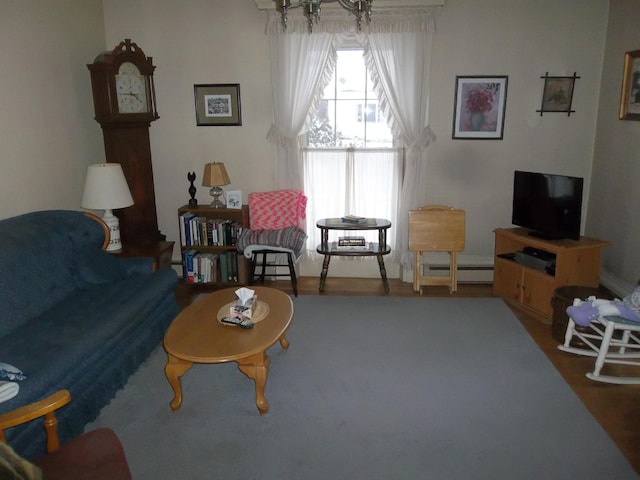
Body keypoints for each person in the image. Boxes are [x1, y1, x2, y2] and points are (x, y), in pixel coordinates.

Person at [566, 285, 640, 327]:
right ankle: (579, 309)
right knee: (599, 302)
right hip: (627, 306)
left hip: (635, 314)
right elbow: (631, 299)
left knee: (608, 308)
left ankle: (584, 317)